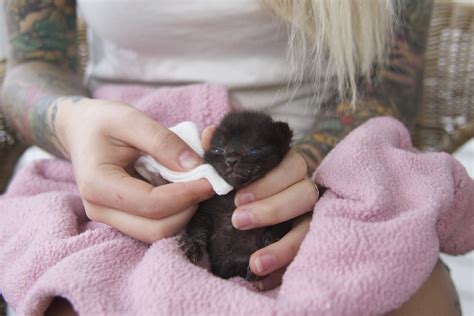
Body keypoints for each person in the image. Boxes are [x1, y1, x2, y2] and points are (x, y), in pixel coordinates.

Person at [1, 0, 461, 315]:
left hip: (329, 157)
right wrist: (71, 123)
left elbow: (391, 80)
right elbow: (33, 62)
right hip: (114, 162)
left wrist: (307, 176)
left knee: (403, 292)